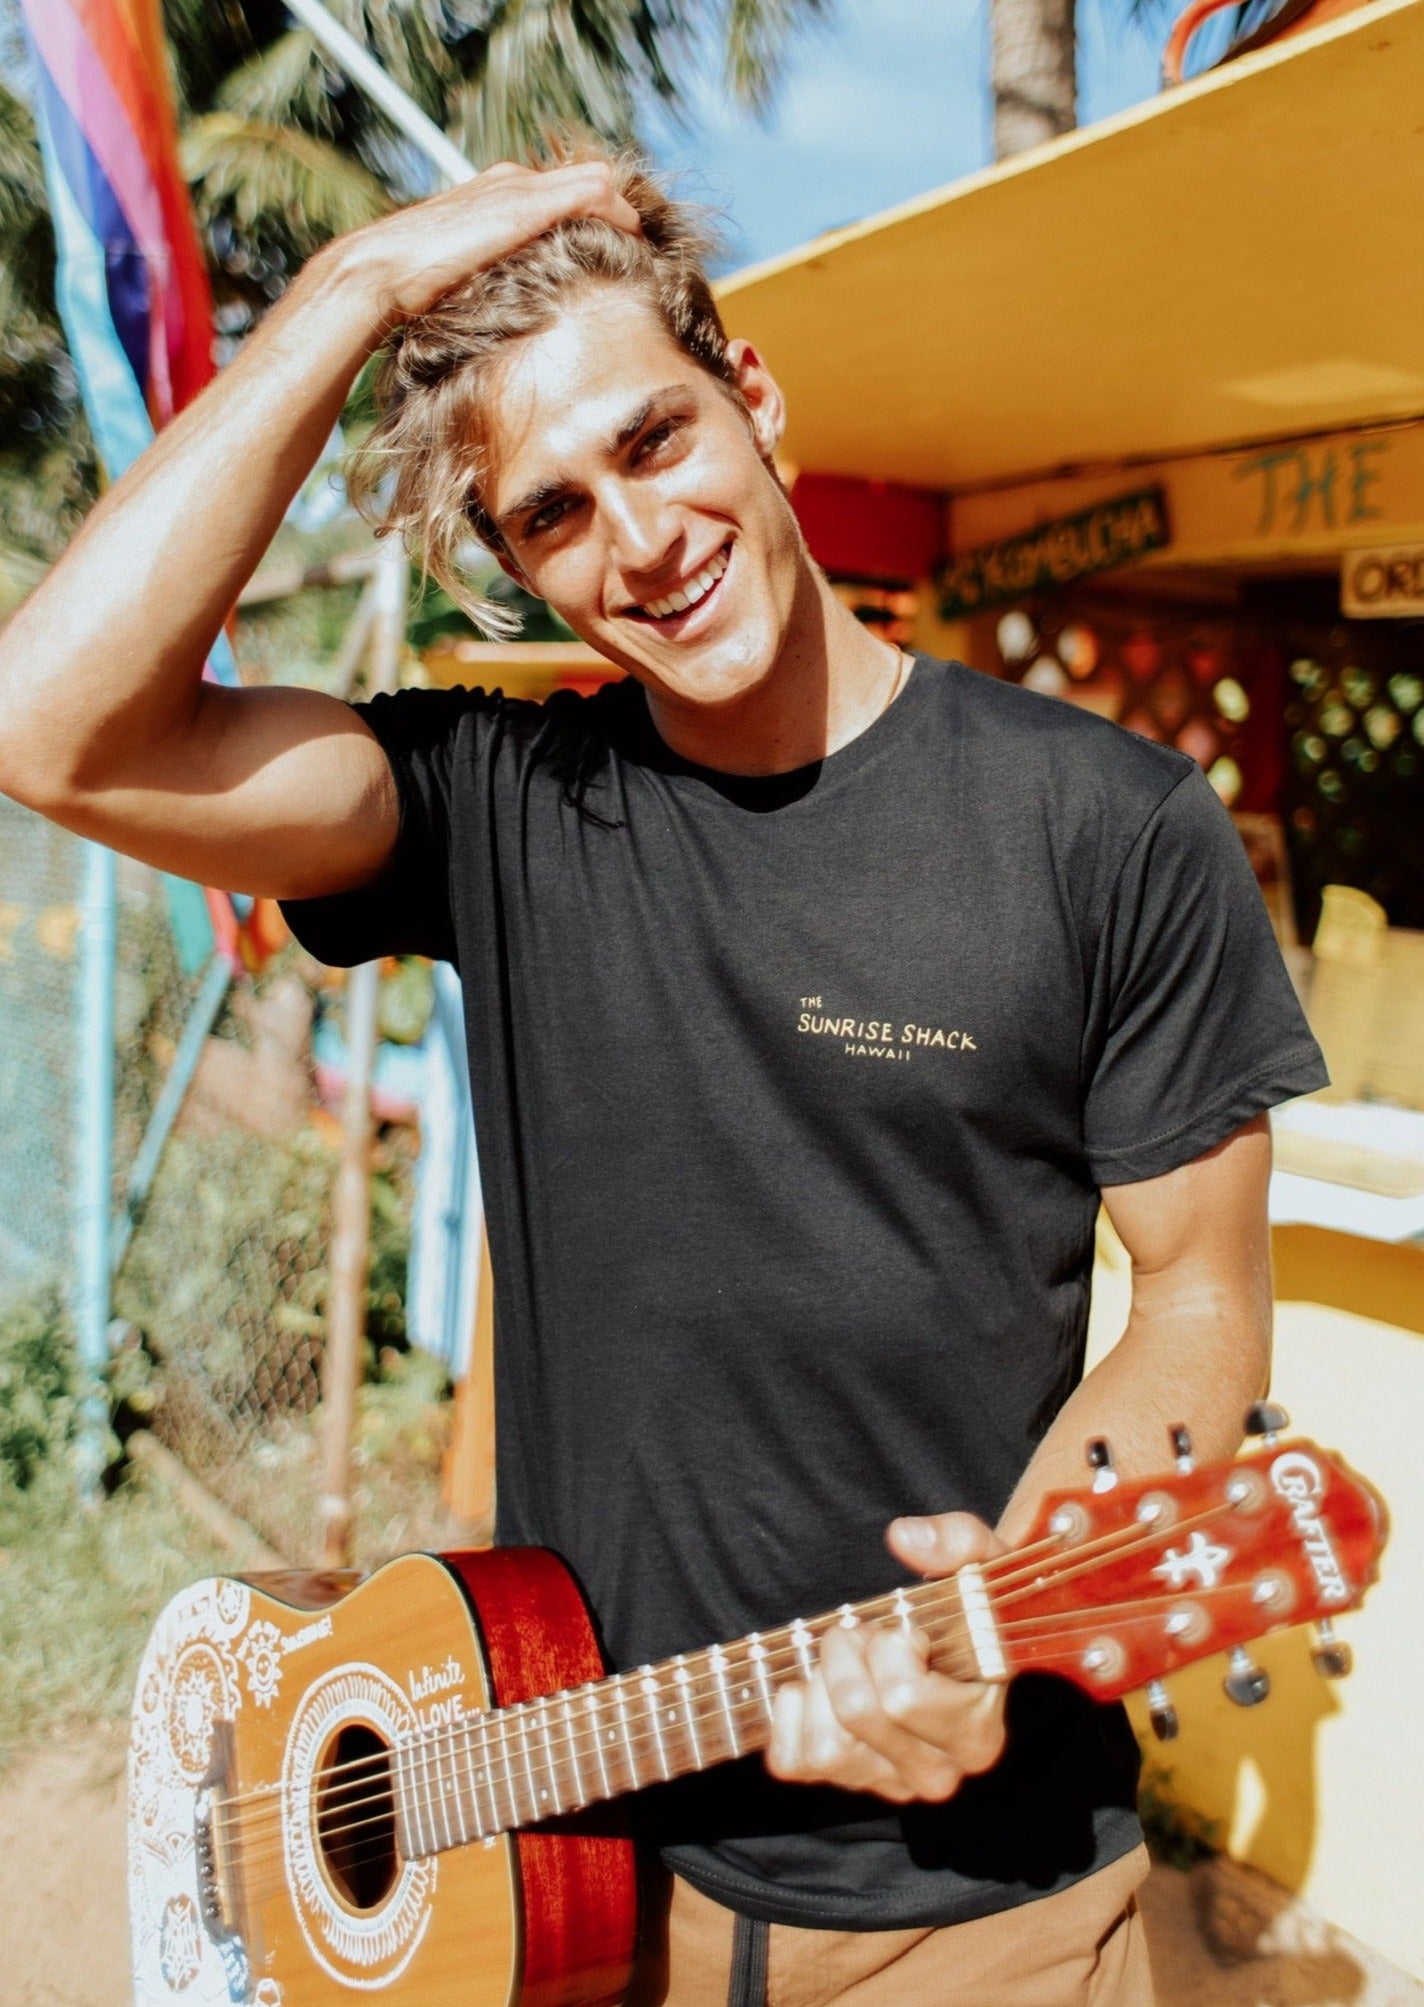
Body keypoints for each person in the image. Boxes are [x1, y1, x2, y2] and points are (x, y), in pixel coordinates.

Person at [0, 140, 1327, 2005]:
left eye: (653, 441)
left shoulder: (1104, 827)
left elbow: (1197, 1295)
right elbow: (46, 727)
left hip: (974, 1914)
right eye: (549, 515)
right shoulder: (502, 808)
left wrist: (1000, 1625)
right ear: (524, 574)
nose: (638, 540)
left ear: (755, 398)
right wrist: (355, 290)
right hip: (547, 1871)